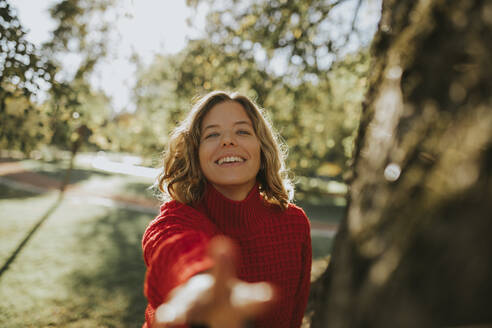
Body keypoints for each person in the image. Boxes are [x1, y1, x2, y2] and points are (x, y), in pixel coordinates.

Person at [142, 90, 312, 328]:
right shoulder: (175, 219)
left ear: (262, 149)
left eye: (242, 131)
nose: (227, 141)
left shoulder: (294, 223)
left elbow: (294, 317)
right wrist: (198, 283)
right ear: (195, 153)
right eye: (212, 135)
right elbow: (176, 250)